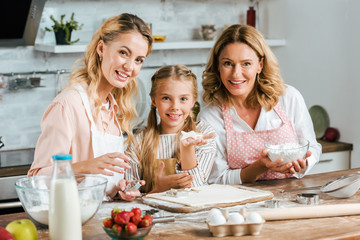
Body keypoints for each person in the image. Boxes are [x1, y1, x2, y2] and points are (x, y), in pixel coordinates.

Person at [28, 13, 153, 200]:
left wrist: (118, 190)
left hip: (103, 221)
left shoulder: (113, 108)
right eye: (123, 53)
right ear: (101, 49)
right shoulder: (68, 104)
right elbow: (36, 179)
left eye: (138, 60)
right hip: (72, 221)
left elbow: (100, 187)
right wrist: (85, 167)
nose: (130, 66)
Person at [197, 24, 321, 184]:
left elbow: (312, 147)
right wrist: (260, 166)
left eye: (246, 64)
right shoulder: (210, 117)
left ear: (260, 65)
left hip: (289, 197)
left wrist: (302, 164)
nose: (236, 73)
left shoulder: (288, 97)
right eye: (228, 63)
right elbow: (216, 179)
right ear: (218, 66)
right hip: (238, 204)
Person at [125, 64, 216, 193]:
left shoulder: (203, 133)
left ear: (193, 101)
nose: (175, 106)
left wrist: (187, 149)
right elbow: (130, 189)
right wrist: (156, 189)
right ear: (154, 100)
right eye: (166, 98)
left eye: (183, 99)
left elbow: (195, 185)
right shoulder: (139, 141)